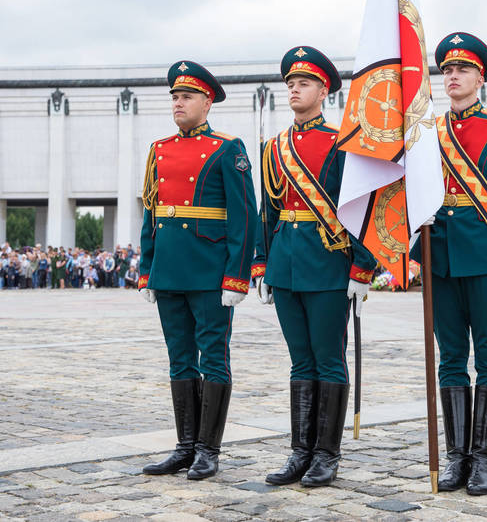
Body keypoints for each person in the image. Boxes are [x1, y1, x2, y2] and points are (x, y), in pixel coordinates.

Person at [411, 32, 487, 495]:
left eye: (462, 69)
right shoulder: (427, 131)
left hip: (486, 260)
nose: (453, 76)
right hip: (440, 259)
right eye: (447, 70)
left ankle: (484, 459)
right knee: (451, 360)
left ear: (481, 77)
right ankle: (456, 456)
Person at [251, 47, 376, 488]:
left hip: (327, 263)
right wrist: (262, 262)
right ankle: (299, 452)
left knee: (328, 360)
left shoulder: (343, 140)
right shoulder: (274, 148)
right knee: (299, 362)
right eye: (290, 83)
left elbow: (362, 207)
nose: (294, 89)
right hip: (285, 264)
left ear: (324, 90)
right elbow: (268, 210)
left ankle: (326, 454)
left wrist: (363, 268)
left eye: (303, 83)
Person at [138, 61, 257, 480]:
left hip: (209, 272)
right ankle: (184, 446)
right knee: (179, 360)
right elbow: (152, 212)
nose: (178, 103)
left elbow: (245, 215)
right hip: (170, 269)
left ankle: (209, 450)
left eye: (186, 96)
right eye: (174, 96)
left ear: (207, 102)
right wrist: (147, 267)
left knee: (214, 359)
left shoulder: (228, 147)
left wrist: (237, 276)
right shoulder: (159, 149)